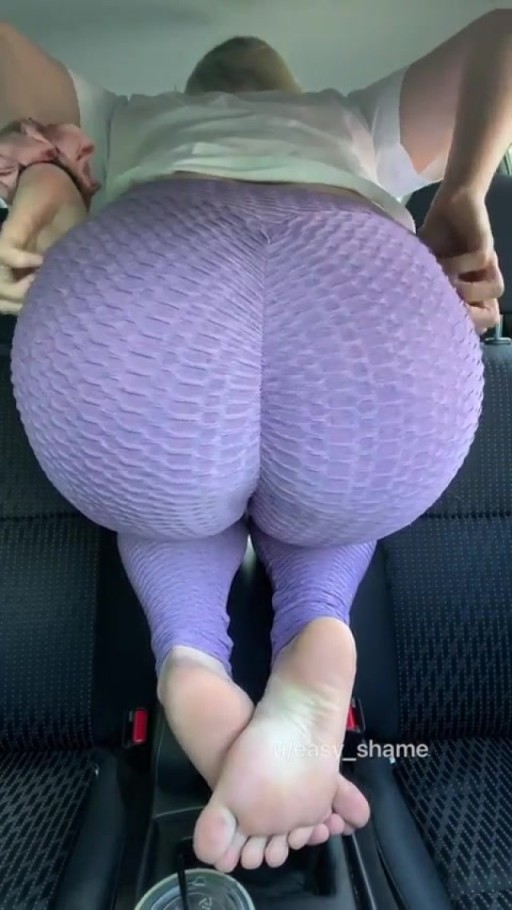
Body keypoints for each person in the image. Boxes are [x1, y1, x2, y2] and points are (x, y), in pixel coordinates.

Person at [0, 12, 508, 874]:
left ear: (194, 92)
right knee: (338, 507)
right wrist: (463, 191)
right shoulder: (359, 122)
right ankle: (318, 623)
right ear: (291, 90)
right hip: (375, 320)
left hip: (143, 299)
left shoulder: (122, 120)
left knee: (164, 510)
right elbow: (503, 28)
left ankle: (189, 652)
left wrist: (48, 160)